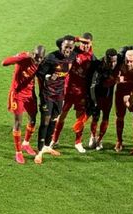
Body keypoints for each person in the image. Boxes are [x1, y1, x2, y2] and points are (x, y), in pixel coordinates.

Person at [50, 33, 95, 153]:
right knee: (61, 116)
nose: (85, 46)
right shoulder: (73, 50)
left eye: (87, 44)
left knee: (79, 118)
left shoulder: (91, 57)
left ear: (91, 44)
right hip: (67, 90)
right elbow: (59, 41)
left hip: (81, 93)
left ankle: (78, 142)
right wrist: (77, 39)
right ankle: (55, 140)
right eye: (83, 43)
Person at [34, 35, 75, 164]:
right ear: (60, 46)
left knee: (54, 120)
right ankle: (39, 152)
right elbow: (39, 73)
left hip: (59, 95)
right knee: (45, 122)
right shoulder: (51, 58)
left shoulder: (73, 56)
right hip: (47, 94)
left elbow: (87, 45)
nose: (68, 50)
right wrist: (49, 77)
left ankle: (47, 146)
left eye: (70, 47)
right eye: (65, 47)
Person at [2, 45, 46, 164]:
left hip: (30, 94)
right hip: (17, 95)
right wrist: (19, 57)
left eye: (40, 58)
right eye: (36, 56)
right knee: (18, 122)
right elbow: (4, 62)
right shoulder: (25, 58)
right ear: (32, 53)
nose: (37, 60)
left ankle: (26, 143)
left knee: (33, 118)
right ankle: (18, 152)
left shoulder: (40, 63)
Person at [88, 48, 119, 150]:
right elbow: (93, 85)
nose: (113, 64)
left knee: (105, 117)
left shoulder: (118, 64)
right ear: (106, 59)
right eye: (111, 61)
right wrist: (94, 100)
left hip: (108, 98)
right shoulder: (99, 65)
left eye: (115, 61)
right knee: (95, 118)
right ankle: (92, 136)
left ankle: (100, 139)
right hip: (97, 96)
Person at [113, 50, 133, 152]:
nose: (128, 63)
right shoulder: (119, 65)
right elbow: (110, 78)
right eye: (126, 61)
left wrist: (130, 97)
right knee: (120, 117)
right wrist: (115, 79)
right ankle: (119, 140)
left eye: (131, 61)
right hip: (120, 93)